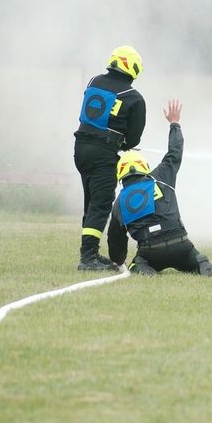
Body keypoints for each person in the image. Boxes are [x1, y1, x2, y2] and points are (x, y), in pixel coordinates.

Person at [112, 99, 212, 277]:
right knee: (198, 260)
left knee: (137, 265)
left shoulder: (120, 202)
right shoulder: (161, 176)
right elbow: (175, 152)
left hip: (151, 251)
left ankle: (143, 270)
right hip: (180, 243)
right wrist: (174, 123)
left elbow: (116, 239)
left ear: (120, 175)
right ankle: (201, 264)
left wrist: (118, 260)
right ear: (144, 167)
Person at [73, 46, 146, 271]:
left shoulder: (94, 82)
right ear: (132, 69)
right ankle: (87, 260)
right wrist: (121, 143)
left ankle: (90, 253)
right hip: (102, 155)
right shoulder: (134, 98)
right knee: (102, 204)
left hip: (81, 149)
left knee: (92, 203)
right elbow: (133, 140)